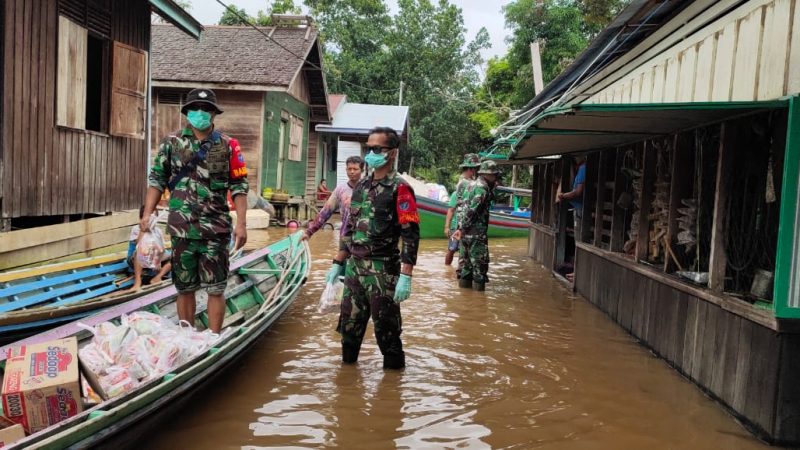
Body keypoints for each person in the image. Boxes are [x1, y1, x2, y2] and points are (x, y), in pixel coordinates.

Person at [140, 88, 249, 333]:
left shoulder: (229, 145)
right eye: (195, 108)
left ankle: (213, 337)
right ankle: (187, 337)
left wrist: (241, 223)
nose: (200, 113)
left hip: (216, 229)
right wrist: (147, 214)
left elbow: (239, 185)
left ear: (213, 114)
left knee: (216, 288)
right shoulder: (172, 143)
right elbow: (157, 178)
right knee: (185, 288)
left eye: (206, 109)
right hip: (182, 228)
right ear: (187, 112)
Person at [329, 127, 420, 370]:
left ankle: (392, 392)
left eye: (377, 148)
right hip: (354, 270)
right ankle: (347, 384)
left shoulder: (399, 188)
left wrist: (406, 275)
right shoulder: (361, 186)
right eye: (369, 148)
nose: (371, 152)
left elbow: (410, 233)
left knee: (387, 334)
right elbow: (349, 226)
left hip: (383, 271)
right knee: (349, 329)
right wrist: (338, 262)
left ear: (392, 153)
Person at [452, 160, 501, 292]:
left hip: (465, 234)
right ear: (488, 175)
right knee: (480, 270)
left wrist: (460, 229)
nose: (496, 178)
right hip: (476, 235)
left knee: (466, 268)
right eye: (495, 175)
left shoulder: (470, 185)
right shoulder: (482, 188)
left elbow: (462, 208)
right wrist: (462, 228)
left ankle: (465, 302)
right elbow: (472, 211)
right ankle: (479, 303)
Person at [302, 156, 364, 241]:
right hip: (346, 235)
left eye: (355, 169)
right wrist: (309, 232)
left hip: (363, 237)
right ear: (346, 169)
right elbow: (325, 213)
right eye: (349, 169)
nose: (352, 172)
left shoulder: (367, 189)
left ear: (362, 170)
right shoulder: (340, 190)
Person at [444, 153, 481, 266]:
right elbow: (451, 209)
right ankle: (447, 268)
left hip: (468, 226)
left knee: (464, 251)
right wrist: (447, 227)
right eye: (476, 169)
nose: (477, 171)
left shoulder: (476, 187)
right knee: (452, 248)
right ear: (471, 170)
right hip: (457, 226)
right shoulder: (459, 190)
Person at [127, 206, 172, 291]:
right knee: (140, 250)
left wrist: (157, 261)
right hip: (135, 259)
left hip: (153, 258)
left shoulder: (158, 231)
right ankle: (137, 283)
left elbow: (161, 248)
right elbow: (138, 244)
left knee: (176, 255)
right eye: (150, 217)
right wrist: (143, 231)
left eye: (154, 217)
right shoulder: (137, 228)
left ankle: (157, 277)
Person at [556, 155, 586, 237]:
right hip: (577, 206)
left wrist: (563, 196)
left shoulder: (583, 169)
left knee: (579, 234)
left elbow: (578, 192)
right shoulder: (581, 169)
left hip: (580, 207)